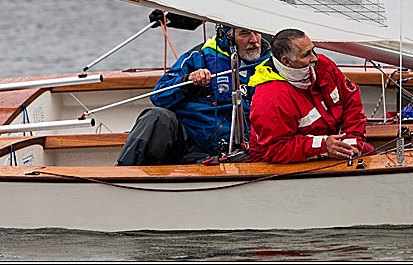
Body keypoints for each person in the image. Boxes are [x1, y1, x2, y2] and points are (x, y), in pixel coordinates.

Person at [116, 14, 271, 165]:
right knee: (157, 117)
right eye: (244, 33)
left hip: (243, 150)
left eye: (256, 32)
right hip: (190, 144)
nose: (254, 40)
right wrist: (189, 82)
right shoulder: (199, 59)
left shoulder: (273, 67)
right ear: (228, 36)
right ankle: (121, 177)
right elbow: (158, 96)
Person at [247, 28, 374, 163]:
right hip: (279, 162)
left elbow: (351, 101)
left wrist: (352, 141)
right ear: (286, 61)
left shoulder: (323, 66)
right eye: (306, 54)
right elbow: (275, 149)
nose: (314, 57)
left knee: (368, 151)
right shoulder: (271, 96)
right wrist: (323, 146)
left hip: (325, 144)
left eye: (313, 50)